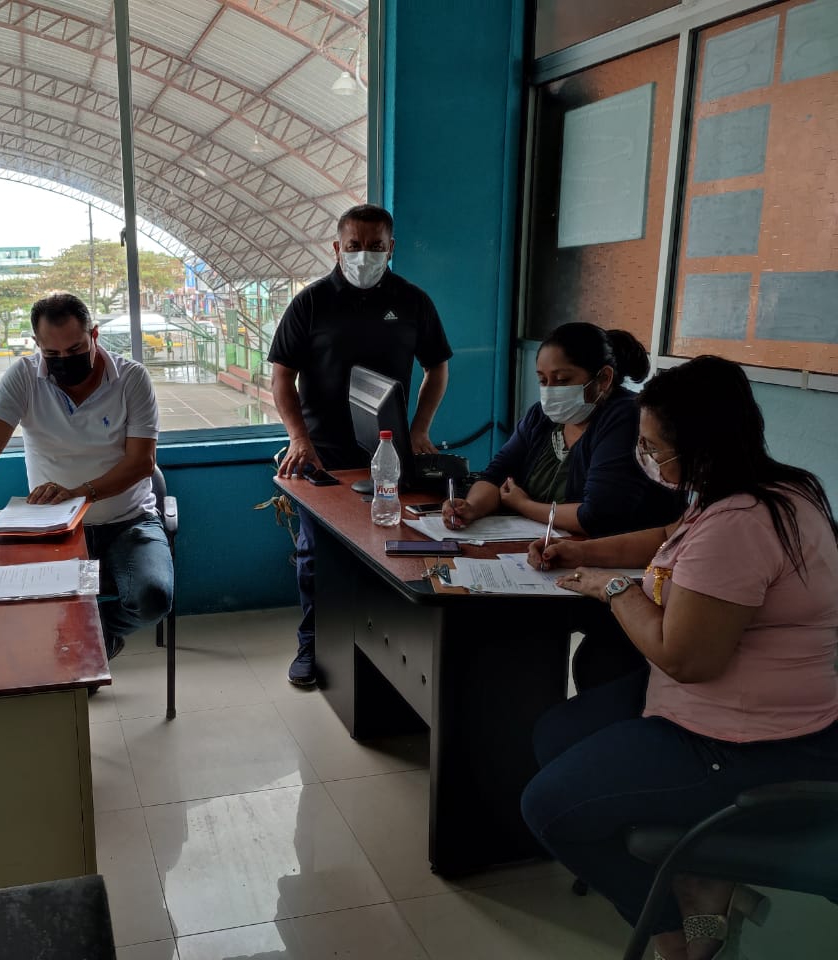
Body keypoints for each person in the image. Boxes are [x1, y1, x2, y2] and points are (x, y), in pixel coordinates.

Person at [520, 356, 838, 960]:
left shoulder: (740, 524)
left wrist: (615, 589)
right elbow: (669, 539)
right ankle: (694, 863)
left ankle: (677, 931)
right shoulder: (760, 490)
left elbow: (685, 658)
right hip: (722, 710)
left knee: (548, 807)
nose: (644, 457)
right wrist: (580, 552)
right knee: (556, 734)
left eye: (653, 448)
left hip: (750, 742)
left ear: (701, 446)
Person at [0, 293, 173, 659]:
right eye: (52, 353)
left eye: (74, 349)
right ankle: (87, 645)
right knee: (21, 604)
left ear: (94, 335)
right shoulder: (24, 376)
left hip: (128, 521)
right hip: (52, 526)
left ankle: (100, 633)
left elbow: (142, 462)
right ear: (37, 344)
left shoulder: (131, 378)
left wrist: (79, 493)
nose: (64, 360)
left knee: (152, 599)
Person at [270, 203, 452, 686]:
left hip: (390, 452)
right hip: (323, 456)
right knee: (316, 556)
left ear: (392, 249)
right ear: (337, 247)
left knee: (395, 548)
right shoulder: (310, 303)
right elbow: (282, 377)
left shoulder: (413, 301)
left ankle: (385, 655)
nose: (364, 255)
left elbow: (437, 367)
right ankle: (311, 645)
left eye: (375, 246)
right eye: (354, 246)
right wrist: (298, 439)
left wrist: (420, 429)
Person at [442, 322, 682, 539]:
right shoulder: (541, 417)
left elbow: (597, 517)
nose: (550, 391)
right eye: (543, 381)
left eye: (562, 380)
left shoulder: (626, 417)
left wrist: (524, 505)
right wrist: (471, 507)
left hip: (608, 556)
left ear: (604, 378)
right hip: (537, 549)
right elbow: (495, 476)